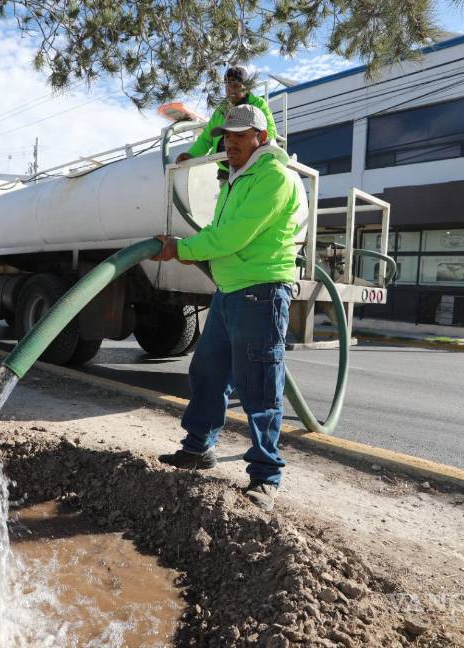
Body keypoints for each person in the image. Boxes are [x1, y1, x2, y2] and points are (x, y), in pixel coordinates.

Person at [152, 104, 303, 512]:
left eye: (240, 135)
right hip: (230, 289)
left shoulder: (273, 177)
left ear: (261, 137)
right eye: (226, 136)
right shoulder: (237, 177)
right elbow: (218, 233)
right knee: (208, 371)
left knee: (259, 385)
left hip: (261, 291)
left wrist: (180, 249)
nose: (230, 142)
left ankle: (265, 475)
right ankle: (199, 448)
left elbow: (233, 236)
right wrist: (189, 248)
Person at [175, 66, 278, 181]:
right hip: (226, 174)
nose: (230, 89)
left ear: (246, 87)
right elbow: (206, 139)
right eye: (227, 85)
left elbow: (270, 131)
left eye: (235, 85)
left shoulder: (258, 105)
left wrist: (258, 154)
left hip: (252, 170)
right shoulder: (220, 111)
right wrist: (192, 155)